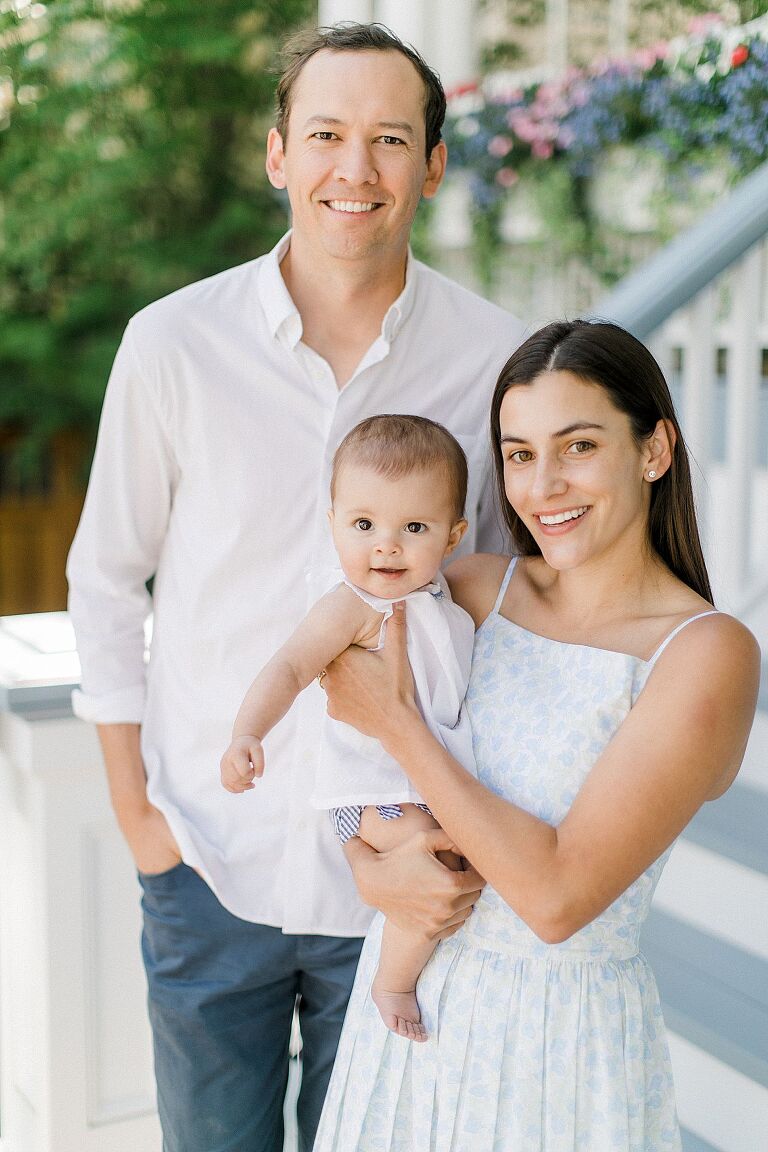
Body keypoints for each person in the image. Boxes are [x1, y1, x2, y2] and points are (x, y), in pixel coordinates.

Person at [65, 21, 526, 1152]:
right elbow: (106, 578)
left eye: (387, 138)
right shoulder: (172, 345)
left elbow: (516, 606)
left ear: (431, 165)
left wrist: (460, 844)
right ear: (279, 154)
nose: (353, 169)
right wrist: (139, 816)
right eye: (325, 134)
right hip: (205, 859)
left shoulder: (500, 356)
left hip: (399, 884)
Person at [314, 319, 760, 1152]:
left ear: (655, 448)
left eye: (578, 445)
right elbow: (348, 744)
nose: (543, 484)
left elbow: (556, 900)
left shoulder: (702, 654)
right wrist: (371, 866)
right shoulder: (475, 589)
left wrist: (401, 727)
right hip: (409, 1014)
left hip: (552, 1045)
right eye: (519, 454)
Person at [221, 414, 478, 1043]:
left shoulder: (444, 599)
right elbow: (288, 666)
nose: (385, 545)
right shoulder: (354, 605)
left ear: (453, 535)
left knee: (463, 848)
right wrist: (247, 732)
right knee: (432, 854)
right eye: (363, 525)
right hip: (373, 791)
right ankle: (393, 980)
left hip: (423, 777)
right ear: (333, 523)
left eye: (413, 527)